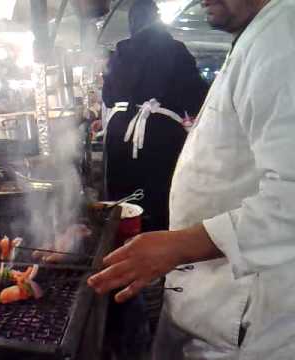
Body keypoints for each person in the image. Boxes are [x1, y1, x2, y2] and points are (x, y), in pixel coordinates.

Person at [88, 0, 295, 359]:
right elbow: (195, 99)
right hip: (207, 295)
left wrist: (177, 245)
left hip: (243, 316)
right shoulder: (258, 34)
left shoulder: (285, 36)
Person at [102, 0, 208, 231]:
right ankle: (158, 252)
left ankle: (118, 249)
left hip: (119, 133)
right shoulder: (175, 49)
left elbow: (108, 98)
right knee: (160, 198)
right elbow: (197, 98)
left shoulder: (119, 51)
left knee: (122, 201)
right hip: (160, 135)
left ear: (132, 22)